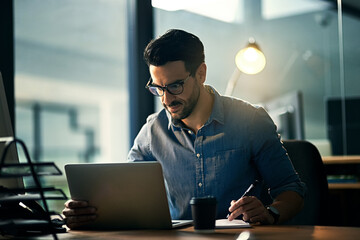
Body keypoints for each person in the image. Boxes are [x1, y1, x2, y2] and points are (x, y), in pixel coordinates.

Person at [62, 29, 306, 229]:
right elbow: (125, 196)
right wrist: (86, 211)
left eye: (175, 86)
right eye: (157, 88)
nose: (166, 99)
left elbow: (291, 190)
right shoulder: (152, 132)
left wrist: (270, 212)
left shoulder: (251, 121)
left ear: (201, 74)